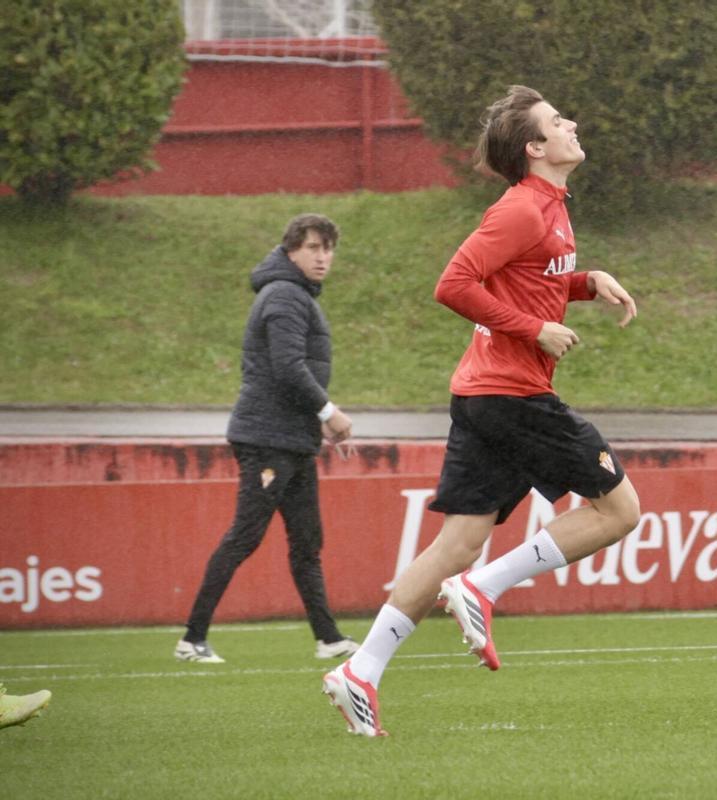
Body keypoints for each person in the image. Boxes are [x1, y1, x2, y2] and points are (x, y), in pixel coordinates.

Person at [322, 85, 642, 738]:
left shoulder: (550, 207)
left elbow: (531, 278)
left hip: (481, 396)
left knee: (458, 542)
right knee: (620, 511)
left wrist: (586, 283)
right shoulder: (524, 208)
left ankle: (361, 668)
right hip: (512, 395)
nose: (571, 124)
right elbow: (453, 284)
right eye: (558, 121)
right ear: (535, 148)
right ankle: (484, 588)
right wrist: (534, 329)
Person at [174, 213, 360, 664]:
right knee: (245, 536)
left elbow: (291, 371)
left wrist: (313, 423)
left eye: (328, 248)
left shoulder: (291, 294)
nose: (323, 257)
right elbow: (288, 367)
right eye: (314, 248)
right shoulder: (283, 295)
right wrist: (329, 413)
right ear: (291, 249)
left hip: (291, 439)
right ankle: (192, 639)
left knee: (306, 541)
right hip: (267, 440)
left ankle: (328, 637)